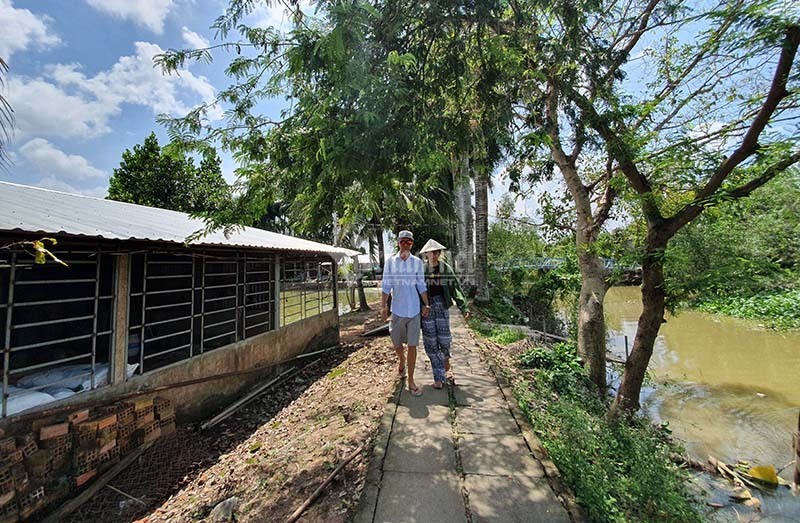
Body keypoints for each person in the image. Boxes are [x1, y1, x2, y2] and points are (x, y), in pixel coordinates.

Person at [381, 230, 430, 397]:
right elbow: (386, 286)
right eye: (403, 241)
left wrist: (426, 304)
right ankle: (401, 359)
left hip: (414, 310)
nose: (406, 244)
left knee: (412, 345)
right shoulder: (390, 262)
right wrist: (383, 307)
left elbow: (421, 285)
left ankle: (411, 380)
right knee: (396, 343)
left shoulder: (417, 263)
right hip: (397, 310)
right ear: (398, 243)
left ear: (412, 244)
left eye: (409, 242)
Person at [418, 239, 469, 389]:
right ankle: (439, 378)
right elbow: (416, 290)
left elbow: (455, 289)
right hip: (427, 307)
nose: (434, 255)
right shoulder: (421, 270)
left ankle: (446, 357)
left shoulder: (445, 268)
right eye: (431, 252)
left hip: (441, 304)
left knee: (445, 338)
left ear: (439, 253)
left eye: (436, 252)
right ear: (426, 254)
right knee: (430, 341)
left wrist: (463, 307)